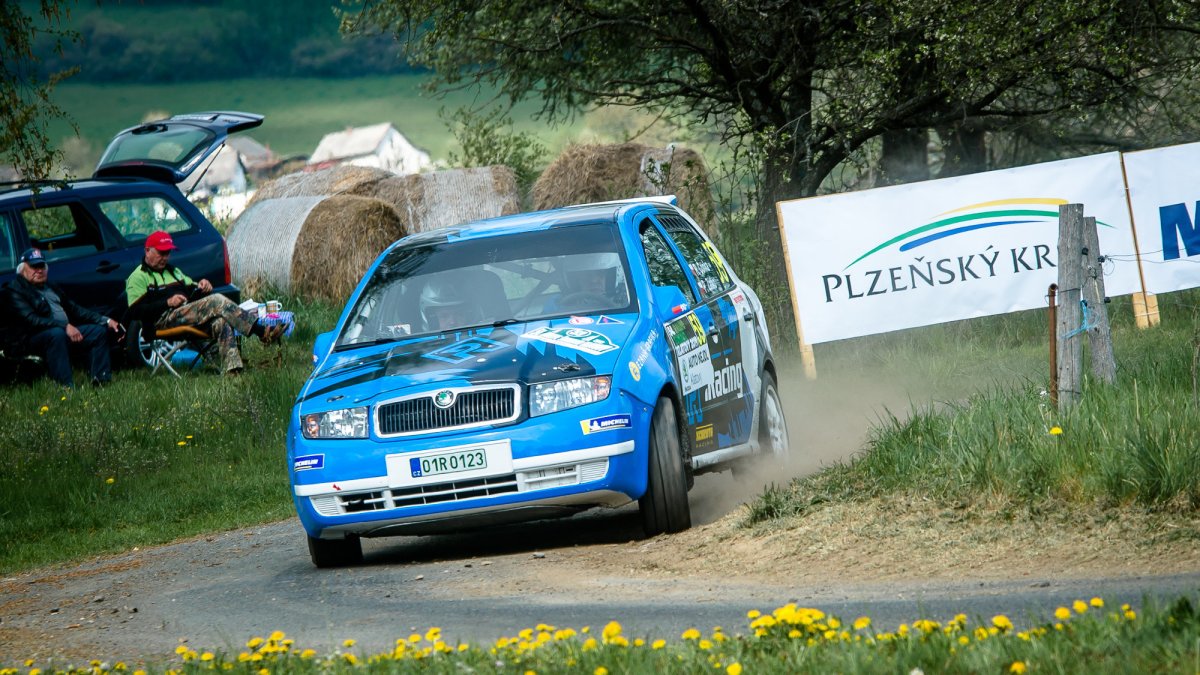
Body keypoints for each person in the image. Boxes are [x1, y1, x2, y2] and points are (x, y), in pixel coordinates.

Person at [125, 230, 282, 375]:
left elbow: (192, 296)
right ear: (147, 251)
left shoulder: (173, 271)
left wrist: (202, 287)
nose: (165, 257)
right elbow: (134, 312)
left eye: (168, 252)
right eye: (161, 252)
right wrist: (167, 303)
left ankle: (233, 371)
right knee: (216, 301)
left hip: (184, 314)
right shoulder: (138, 277)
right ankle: (262, 332)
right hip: (160, 321)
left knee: (220, 321)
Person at [4, 248, 122, 387]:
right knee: (56, 335)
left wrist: (106, 320)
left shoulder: (51, 287)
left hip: (61, 332)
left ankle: (101, 380)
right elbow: (31, 320)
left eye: (41, 266)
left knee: (97, 332)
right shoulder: (15, 290)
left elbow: (75, 309)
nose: (39, 270)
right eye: (34, 267)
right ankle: (65, 387)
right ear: (22, 270)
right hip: (30, 338)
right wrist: (65, 326)